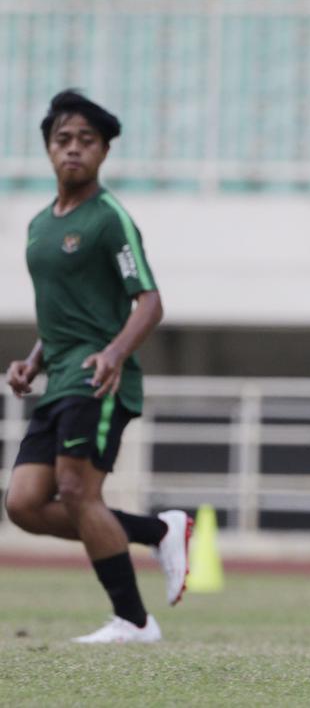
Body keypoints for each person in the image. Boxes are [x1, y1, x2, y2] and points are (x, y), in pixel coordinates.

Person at [4, 90, 191, 644]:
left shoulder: (109, 220)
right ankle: (159, 530)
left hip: (98, 377)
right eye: (63, 140)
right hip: (58, 377)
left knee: (77, 491)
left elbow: (151, 302)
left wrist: (113, 353)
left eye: (87, 140)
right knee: (24, 505)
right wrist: (32, 361)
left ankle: (133, 621)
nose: (73, 150)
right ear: (48, 149)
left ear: (104, 151)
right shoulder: (39, 226)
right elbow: (63, 313)